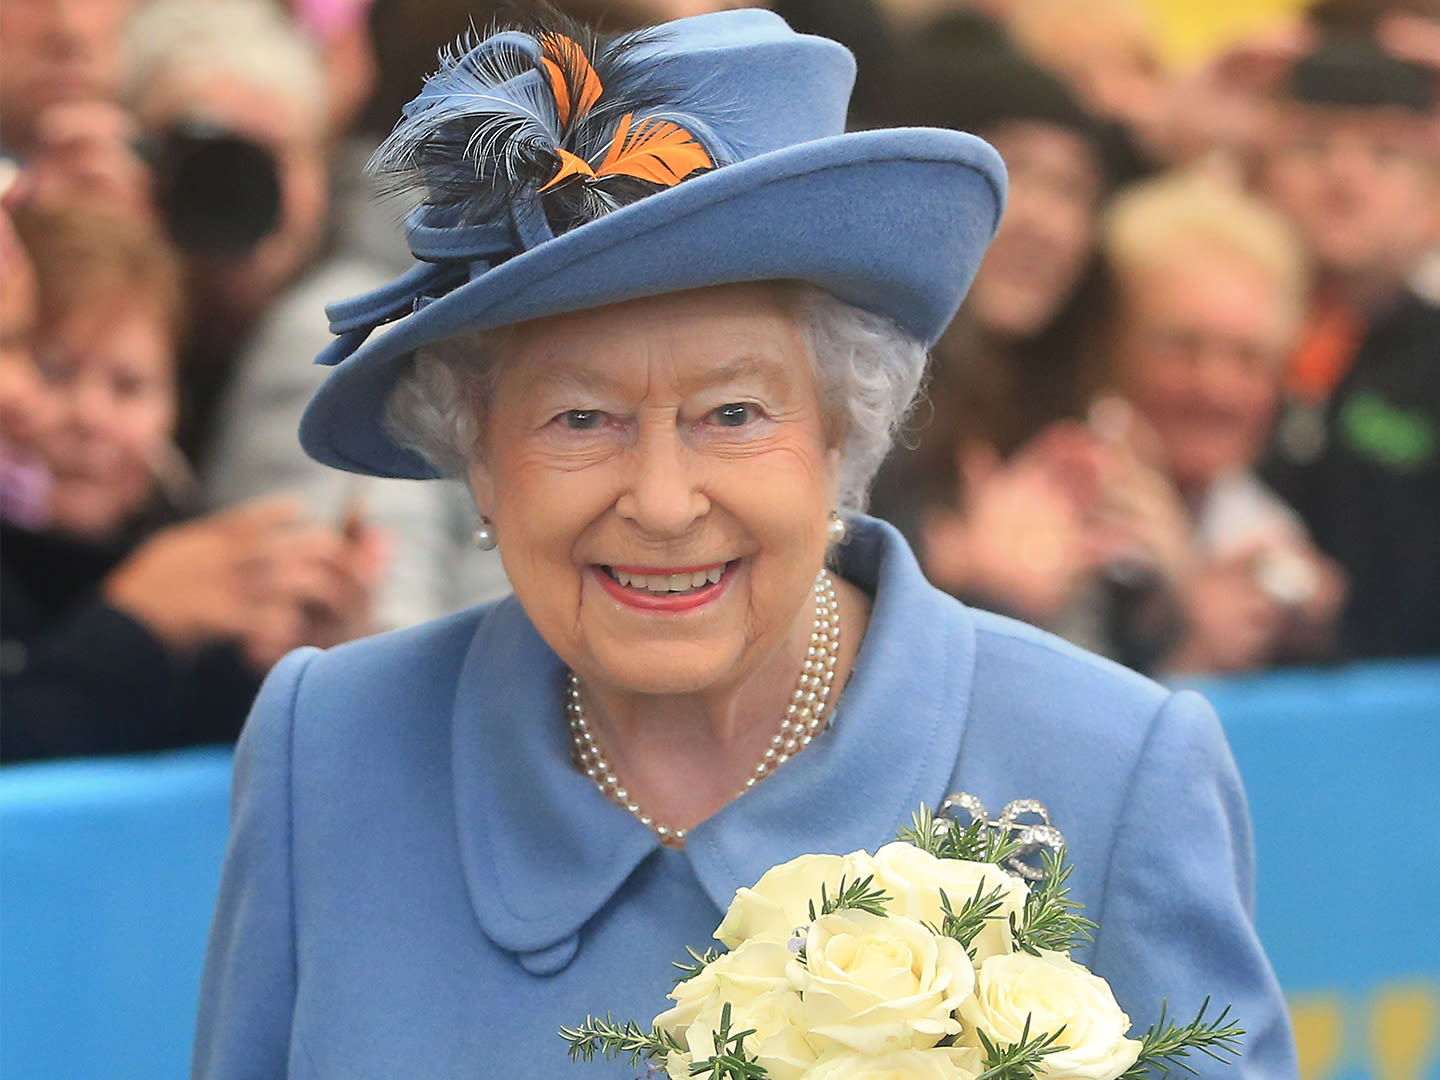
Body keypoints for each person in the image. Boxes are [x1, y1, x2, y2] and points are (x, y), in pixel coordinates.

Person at [193, 11, 1296, 1079]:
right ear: (479, 459)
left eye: (733, 414)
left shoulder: (1113, 772)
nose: (664, 502)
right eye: (582, 420)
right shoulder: (327, 752)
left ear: (840, 432)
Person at [0, 201, 383, 763]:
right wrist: (136, 623)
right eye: (52, 370)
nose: (89, 418)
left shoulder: (187, 559)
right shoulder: (164, 587)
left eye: (129, 387)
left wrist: (306, 662)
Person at [1103, 172, 1345, 674]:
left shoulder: (1253, 520)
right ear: (1110, 346)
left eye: (1249, 358)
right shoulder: (1064, 506)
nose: (1217, 389)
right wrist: (1188, 648)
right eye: (1181, 347)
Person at [1259, 35, 1440, 657]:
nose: (1345, 175)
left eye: (1386, 155)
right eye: (1313, 146)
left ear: (1432, 200)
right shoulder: (1215, 337)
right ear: (1262, 176)